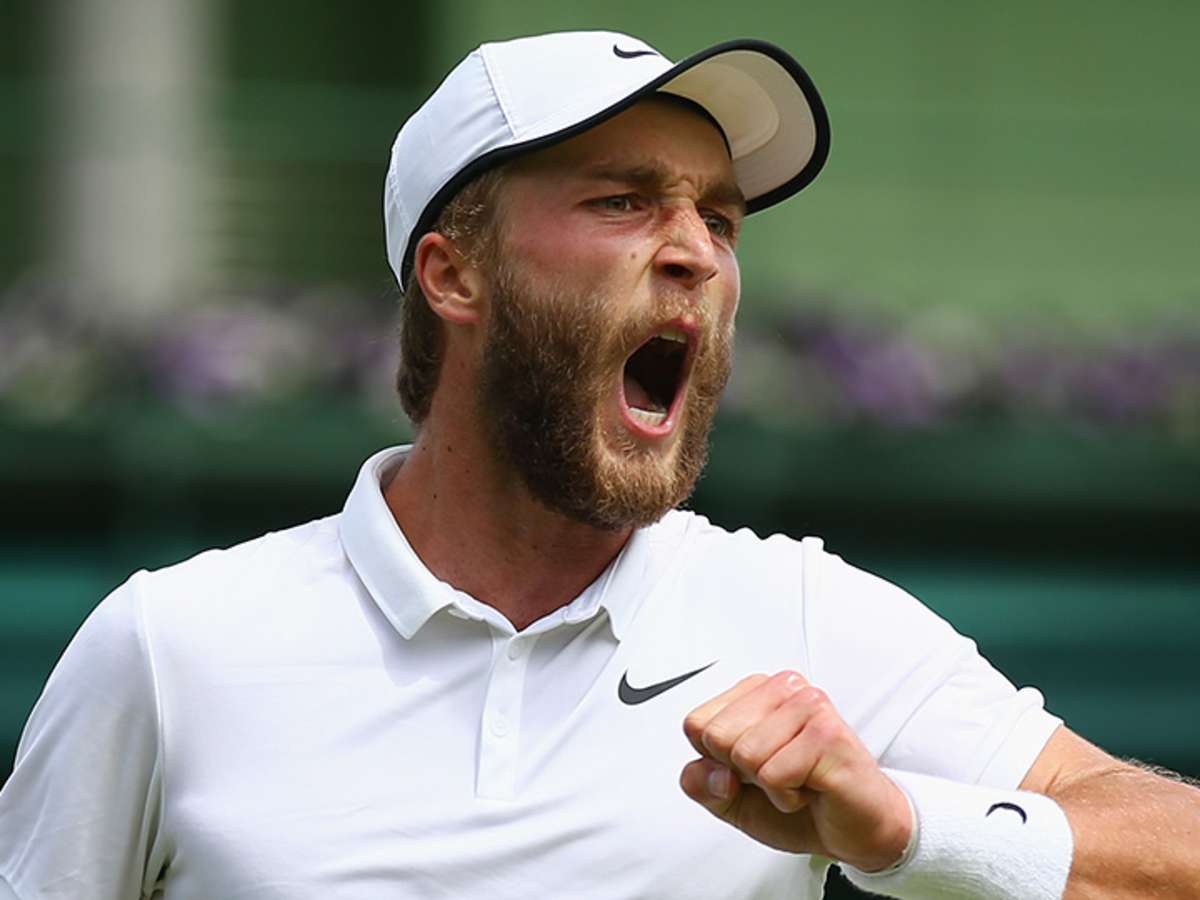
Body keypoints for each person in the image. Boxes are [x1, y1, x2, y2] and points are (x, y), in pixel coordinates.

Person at [1, 29, 1197, 900]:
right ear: (454, 274)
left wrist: (907, 828)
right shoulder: (167, 648)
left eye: (719, 218)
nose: (697, 255)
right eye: (626, 202)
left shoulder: (802, 622)